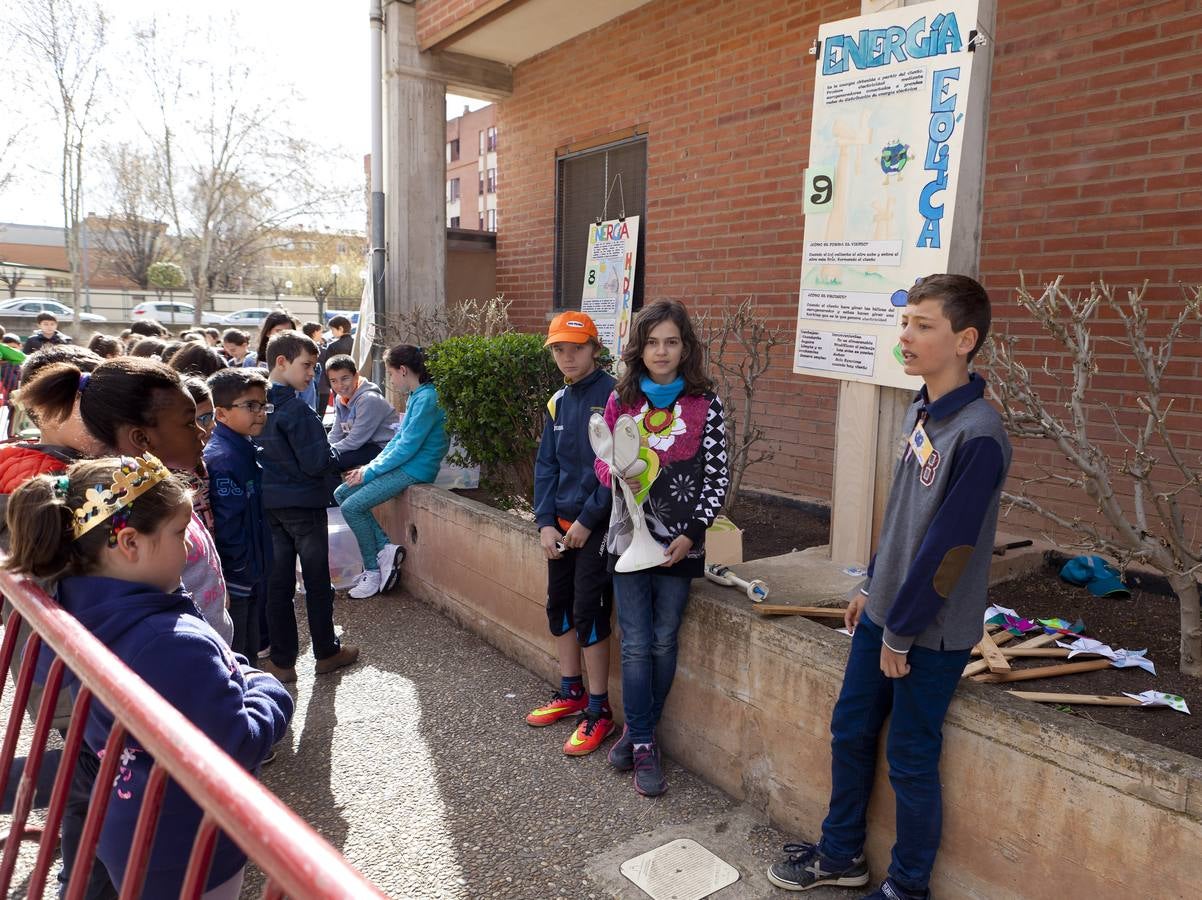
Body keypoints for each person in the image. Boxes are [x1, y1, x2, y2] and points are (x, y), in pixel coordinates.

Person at [765, 275, 1011, 899]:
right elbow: (904, 512)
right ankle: (843, 854)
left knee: (910, 760)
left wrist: (899, 630)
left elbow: (949, 552)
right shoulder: (923, 407)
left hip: (928, 634)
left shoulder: (979, 435)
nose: (906, 335)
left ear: (965, 340)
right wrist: (873, 584)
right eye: (906, 323)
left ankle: (907, 888)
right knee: (850, 730)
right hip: (886, 613)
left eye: (923, 326)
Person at [3, 455, 293, 898]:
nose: (189, 547)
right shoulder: (166, 641)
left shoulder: (71, 605)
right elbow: (239, 740)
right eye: (179, 534)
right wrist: (265, 686)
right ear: (130, 543)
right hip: (187, 844)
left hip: (130, 824)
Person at [594, 299, 728, 797]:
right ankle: (646, 740)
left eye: (672, 341)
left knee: (664, 639)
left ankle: (637, 732)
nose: (662, 351)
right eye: (652, 342)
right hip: (628, 540)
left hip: (679, 545)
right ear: (639, 348)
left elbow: (717, 478)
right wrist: (618, 474)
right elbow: (602, 463)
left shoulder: (705, 405)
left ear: (685, 347)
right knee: (634, 640)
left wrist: (692, 531)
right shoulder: (621, 398)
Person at [21, 356, 234, 644]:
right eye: (188, 422)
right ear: (141, 438)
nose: (200, 431)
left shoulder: (153, 490)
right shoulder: (124, 511)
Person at [528, 311, 617, 756]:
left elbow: (617, 471)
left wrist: (586, 521)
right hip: (559, 527)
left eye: (576, 348)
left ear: (594, 350)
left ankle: (599, 710)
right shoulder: (558, 402)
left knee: (589, 612)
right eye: (559, 349)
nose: (567, 356)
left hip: (596, 528)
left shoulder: (617, 396)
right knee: (559, 608)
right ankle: (571, 692)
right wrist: (545, 521)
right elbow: (546, 466)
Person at [255, 330, 359, 682]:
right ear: (281, 362)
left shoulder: (252, 404)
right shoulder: (296, 410)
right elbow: (317, 461)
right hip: (303, 504)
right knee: (316, 582)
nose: (311, 374)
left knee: (278, 584)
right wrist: (333, 455)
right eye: (307, 366)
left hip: (269, 506)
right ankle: (326, 651)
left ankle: (283, 662)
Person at [335, 344, 447, 600]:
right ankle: (385, 548)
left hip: (415, 469)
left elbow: (407, 447)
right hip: (404, 465)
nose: (391, 379)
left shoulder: (428, 398)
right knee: (342, 493)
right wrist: (368, 468)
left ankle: (373, 571)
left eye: (391, 373)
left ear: (404, 370)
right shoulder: (417, 395)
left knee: (351, 507)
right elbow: (398, 441)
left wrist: (370, 472)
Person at [205, 368, 273, 660]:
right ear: (221, 414)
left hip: (251, 570)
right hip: (238, 575)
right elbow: (228, 523)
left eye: (263, 405)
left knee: (251, 646)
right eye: (251, 406)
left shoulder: (242, 447)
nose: (260, 413)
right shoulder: (223, 458)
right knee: (239, 651)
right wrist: (243, 568)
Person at [327, 354, 399, 470]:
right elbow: (337, 432)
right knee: (323, 460)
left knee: (330, 461)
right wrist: (325, 448)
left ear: (356, 376)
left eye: (345, 378)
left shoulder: (369, 399)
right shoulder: (340, 398)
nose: (340, 385)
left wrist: (327, 451)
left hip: (382, 448)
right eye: (333, 381)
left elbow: (355, 440)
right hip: (363, 445)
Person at [317, 315, 353, 414]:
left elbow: (328, 368)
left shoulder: (333, 346)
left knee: (341, 413)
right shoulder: (356, 343)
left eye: (332, 329)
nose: (332, 332)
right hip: (355, 383)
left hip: (338, 384)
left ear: (340, 328)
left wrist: (331, 384)